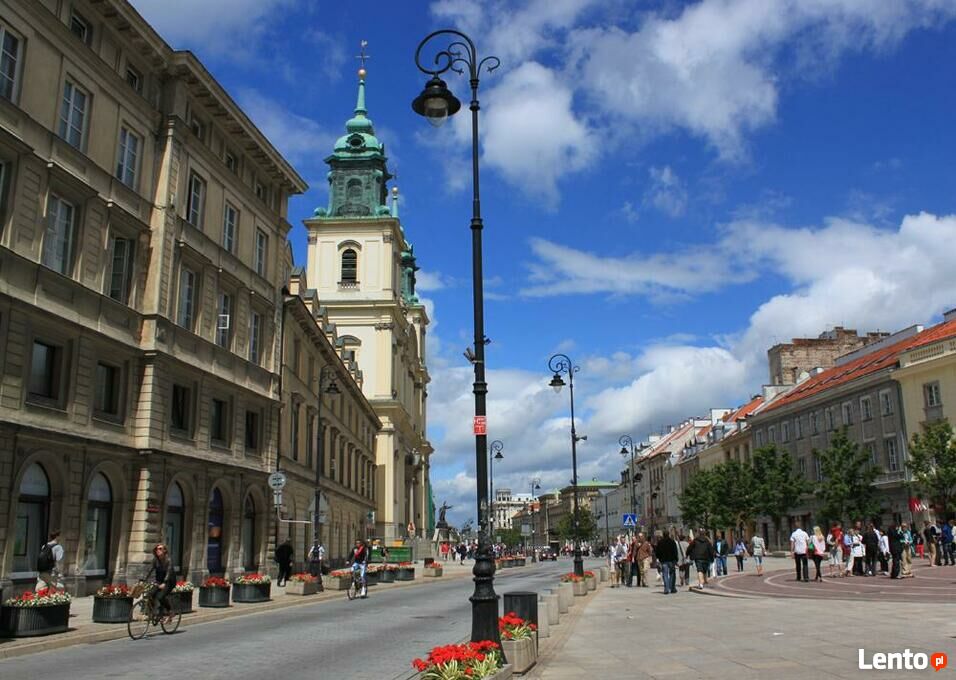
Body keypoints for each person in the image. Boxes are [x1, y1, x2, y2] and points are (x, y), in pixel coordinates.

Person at [144, 543, 176, 620]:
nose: (158, 550)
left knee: (160, 596)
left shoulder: (168, 560)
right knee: (150, 594)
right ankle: (153, 613)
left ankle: (170, 611)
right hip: (159, 581)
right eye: (157, 549)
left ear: (164, 550)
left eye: (160, 549)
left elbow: (169, 572)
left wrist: (165, 582)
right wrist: (143, 579)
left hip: (169, 582)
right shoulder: (155, 560)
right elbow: (150, 570)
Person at [655, 528, 679, 594]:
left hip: (663, 561)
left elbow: (657, 552)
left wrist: (659, 558)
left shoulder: (660, 542)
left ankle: (666, 588)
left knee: (665, 574)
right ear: (668, 534)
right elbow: (675, 551)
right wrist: (676, 559)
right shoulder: (672, 542)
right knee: (672, 574)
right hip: (671, 560)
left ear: (663, 535)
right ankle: (672, 588)